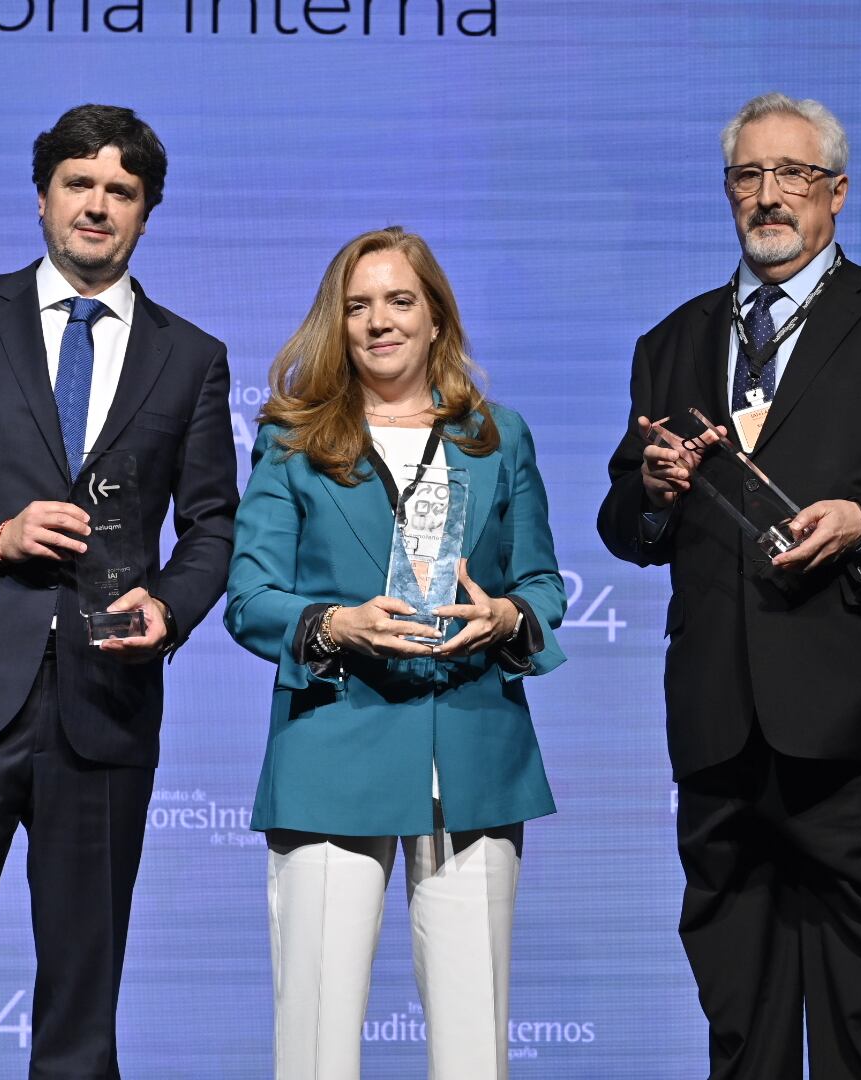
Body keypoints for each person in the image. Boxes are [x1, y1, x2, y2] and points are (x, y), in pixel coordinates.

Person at [598, 93, 861, 1079]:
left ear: (837, 194)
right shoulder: (671, 342)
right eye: (749, 175)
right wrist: (653, 493)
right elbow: (628, 527)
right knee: (742, 1025)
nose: (769, 196)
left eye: (793, 175)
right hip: (718, 733)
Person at [0, 104, 238, 1079]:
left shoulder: (190, 356)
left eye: (121, 191)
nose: (97, 206)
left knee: (80, 1006)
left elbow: (213, 524)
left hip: (104, 703)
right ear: (42, 198)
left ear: (146, 213)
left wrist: (174, 606)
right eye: (79, 184)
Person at [225, 226, 566, 1080]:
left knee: (474, 1050)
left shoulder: (498, 436)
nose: (379, 321)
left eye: (399, 300)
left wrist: (508, 616)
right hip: (334, 747)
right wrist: (335, 625)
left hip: (475, 753)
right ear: (335, 325)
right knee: (316, 1047)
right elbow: (252, 598)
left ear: (436, 315)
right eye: (358, 305)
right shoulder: (292, 441)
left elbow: (543, 584)